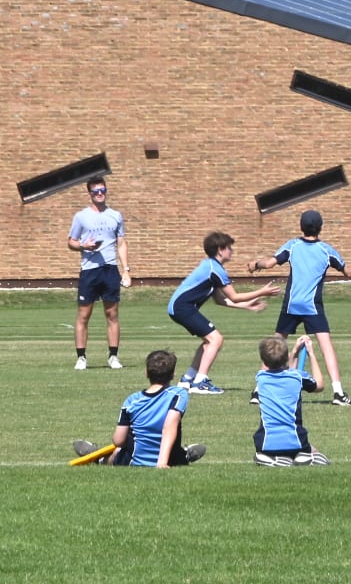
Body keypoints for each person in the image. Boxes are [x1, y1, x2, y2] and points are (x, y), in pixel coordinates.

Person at [251, 207, 351, 406]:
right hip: (311, 307)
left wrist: (255, 264)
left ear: (301, 227)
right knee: (327, 348)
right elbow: (347, 271)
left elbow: (269, 263)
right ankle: (338, 393)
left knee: (275, 345)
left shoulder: (292, 246)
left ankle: (258, 391)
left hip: (291, 305)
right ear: (320, 228)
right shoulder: (326, 250)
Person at [166, 231, 279, 394]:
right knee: (216, 339)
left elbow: (220, 300)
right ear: (220, 250)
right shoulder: (215, 269)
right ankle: (200, 383)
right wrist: (261, 291)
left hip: (179, 307)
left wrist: (247, 306)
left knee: (209, 341)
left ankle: (188, 379)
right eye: (229, 248)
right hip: (182, 307)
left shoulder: (211, 267)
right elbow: (234, 296)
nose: (231, 251)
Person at [72, 349, 205, 467]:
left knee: (121, 449)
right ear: (173, 374)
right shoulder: (178, 394)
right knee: (173, 450)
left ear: (146, 372)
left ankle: (99, 458)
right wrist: (162, 462)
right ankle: (185, 455)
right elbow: (169, 426)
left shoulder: (132, 401)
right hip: (169, 459)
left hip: (133, 461)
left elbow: (118, 440)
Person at [66, 176, 130, 371]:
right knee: (84, 315)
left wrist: (126, 270)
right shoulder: (81, 216)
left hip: (110, 269)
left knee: (112, 314)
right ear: (90, 194)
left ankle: (113, 356)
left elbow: (121, 243)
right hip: (89, 270)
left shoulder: (115, 215)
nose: (100, 194)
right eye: (96, 191)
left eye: (103, 190)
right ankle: (81, 357)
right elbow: (71, 241)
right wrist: (83, 245)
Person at [252, 335, 328, 465]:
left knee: (264, 453)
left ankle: (270, 458)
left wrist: (294, 352)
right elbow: (319, 385)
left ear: (263, 361)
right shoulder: (297, 377)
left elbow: (285, 370)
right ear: (286, 357)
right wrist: (311, 354)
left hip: (265, 443)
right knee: (317, 454)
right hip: (296, 442)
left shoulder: (261, 378)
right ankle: (306, 457)